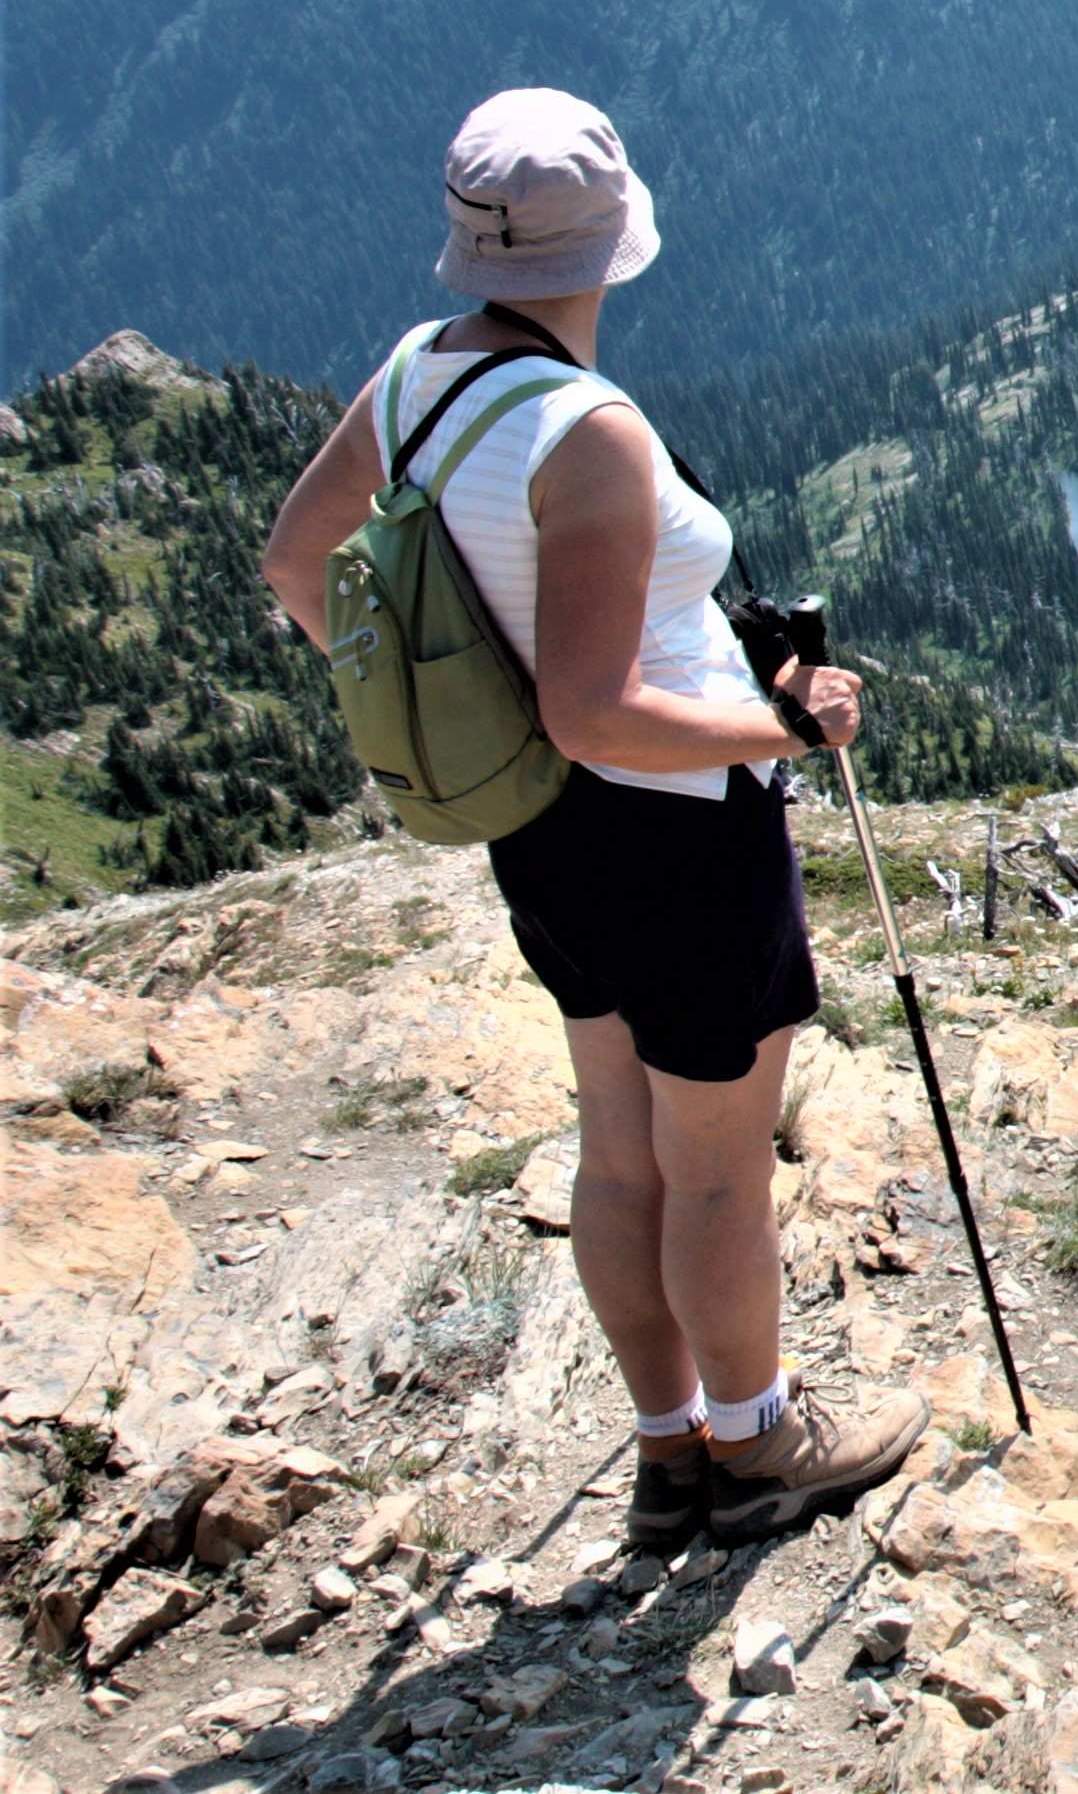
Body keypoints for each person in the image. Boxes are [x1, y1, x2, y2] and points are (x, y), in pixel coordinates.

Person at [262, 88, 927, 1550]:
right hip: (682, 826)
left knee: (617, 1150)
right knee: (718, 1168)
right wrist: (787, 723)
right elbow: (600, 708)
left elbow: (299, 564)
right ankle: (762, 1447)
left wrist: (436, 722)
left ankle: (666, 1449)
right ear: (611, 241)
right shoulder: (590, 431)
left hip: (542, 833)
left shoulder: (414, 380)